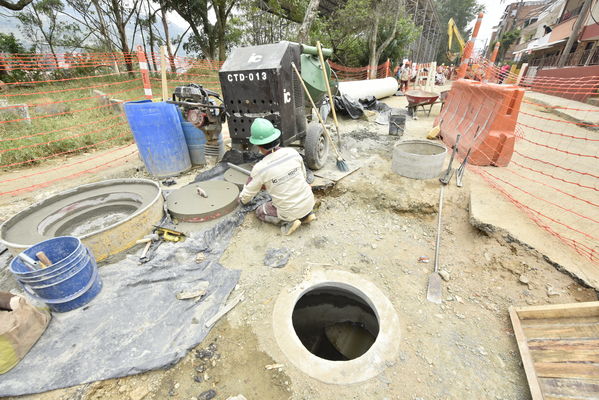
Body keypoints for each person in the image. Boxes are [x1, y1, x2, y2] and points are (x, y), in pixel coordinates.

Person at [239, 118, 316, 236]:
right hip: (309, 201)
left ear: (259, 146)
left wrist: (241, 199)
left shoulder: (261, 168)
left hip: (288, 211)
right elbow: (303, 177)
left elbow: (247, 195)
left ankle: (288, 222)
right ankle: (307, 214)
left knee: (260, 212)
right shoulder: (292, 152)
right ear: (276, 138)